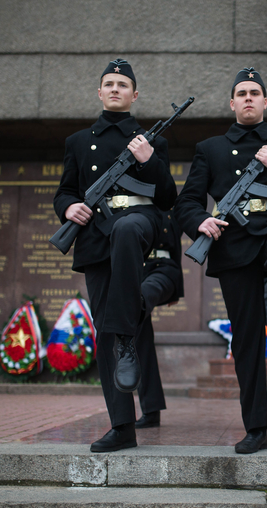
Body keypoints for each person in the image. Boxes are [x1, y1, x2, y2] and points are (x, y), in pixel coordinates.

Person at [174, 67, 267, 454]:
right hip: (233, 242)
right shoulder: (210, 148)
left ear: (265, 102)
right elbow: (186, 201)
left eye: (256, 92)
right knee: (247, 335)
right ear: (232, 103)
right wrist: (199, 221)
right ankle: (256, 427)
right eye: (242, 93)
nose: (249, 98)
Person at [53, 58, 177, 452]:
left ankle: (128, 336)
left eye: (123, 84)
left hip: (138, 223)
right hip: (94, 237)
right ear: (100, 91)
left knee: (126, 228)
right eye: (109, 83)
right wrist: (68, 209)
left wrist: (148, 160)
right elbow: (65, 190)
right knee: (104, 329)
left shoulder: (151, 140)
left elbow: (168, 197)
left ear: (134, 94)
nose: (115, 89)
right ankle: (122, 427)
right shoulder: (78, 140)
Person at [133, 210, 184, 429]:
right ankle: (151, 410)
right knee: (139, 337)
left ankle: (151, 410)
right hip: (133, 270)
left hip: (162, 270)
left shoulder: (169, 210)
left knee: (139, 297)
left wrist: (176, 291)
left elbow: (177, 249)